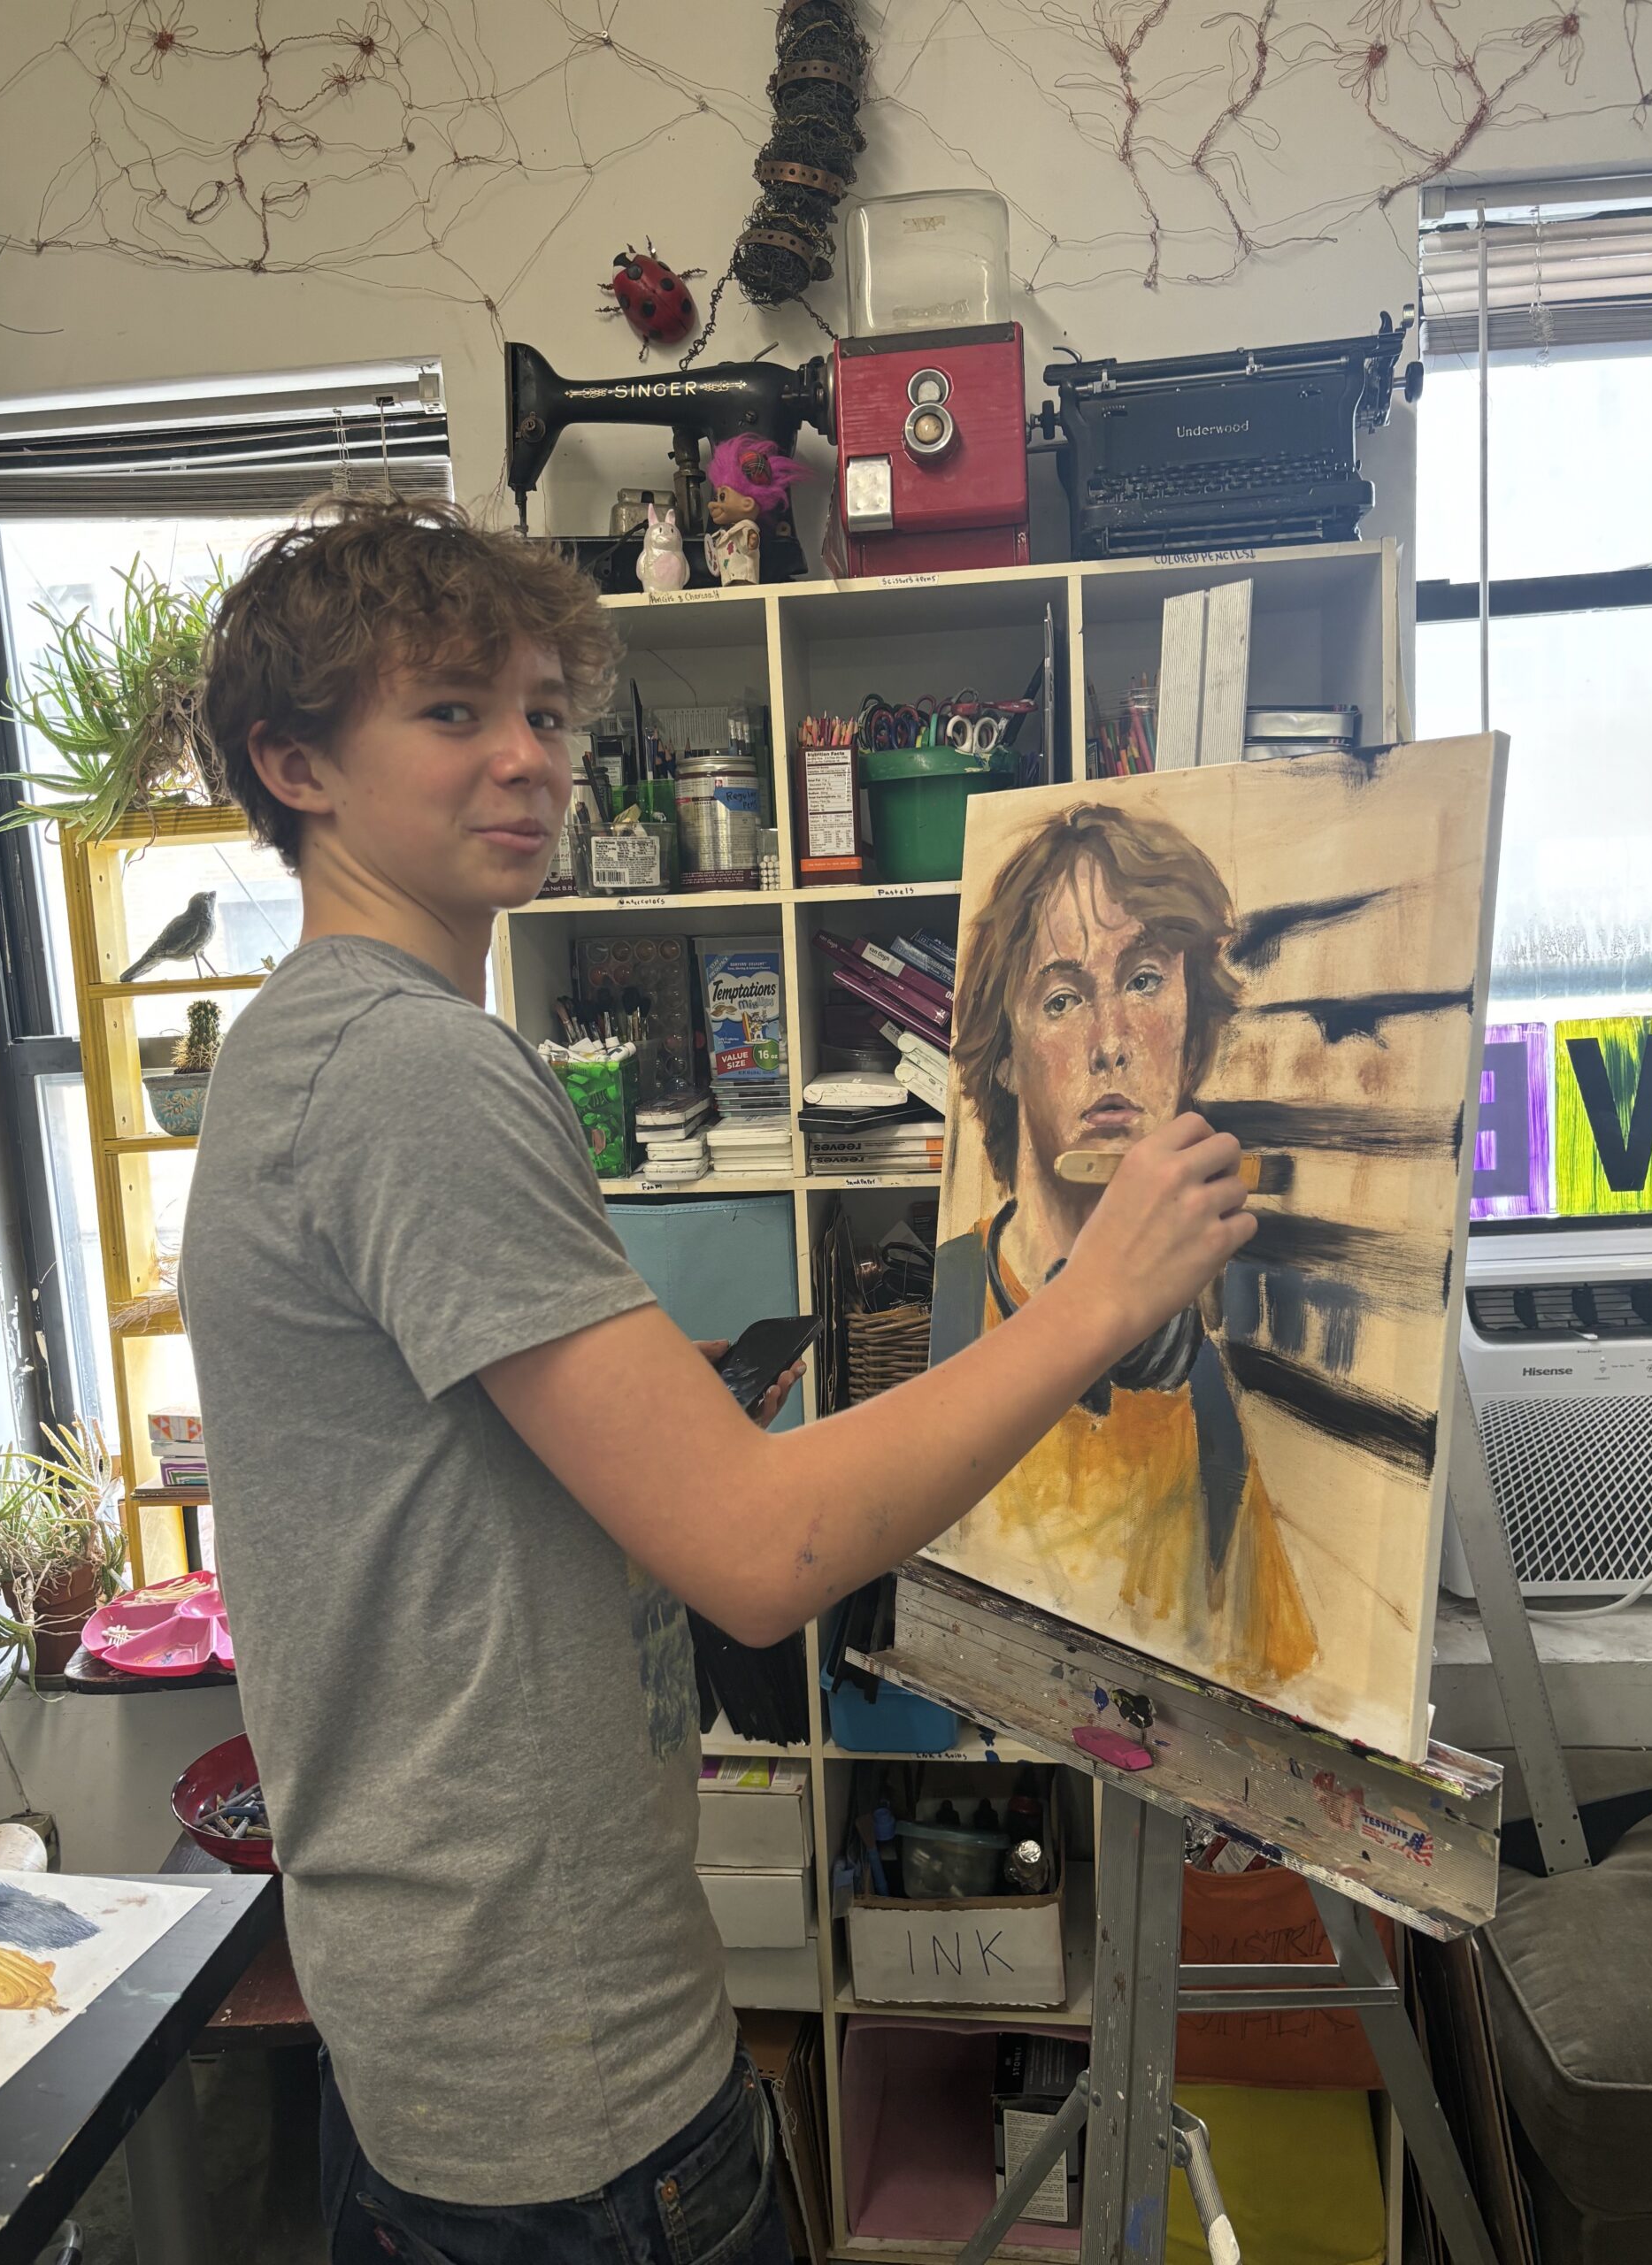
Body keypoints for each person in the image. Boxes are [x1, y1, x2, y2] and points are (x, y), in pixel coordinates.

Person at [180, 495, 1256, 2263]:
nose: (528, 755)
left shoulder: (308, 1047)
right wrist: (1090, 1296)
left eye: (546, 707)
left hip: (457, 2045)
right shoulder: (406, 1071)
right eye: (452, 711)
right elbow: (758, 1552)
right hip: (556, 2095)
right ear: (295, 760)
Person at [950, 802, 1318, 1688]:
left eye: (1146, 980)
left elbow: (1279, 1687)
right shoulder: (959, 1299)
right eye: (1065, 998)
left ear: (1192, 1026)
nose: (1110, 1042)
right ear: (1006, 1053)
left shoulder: (1212, 1390)